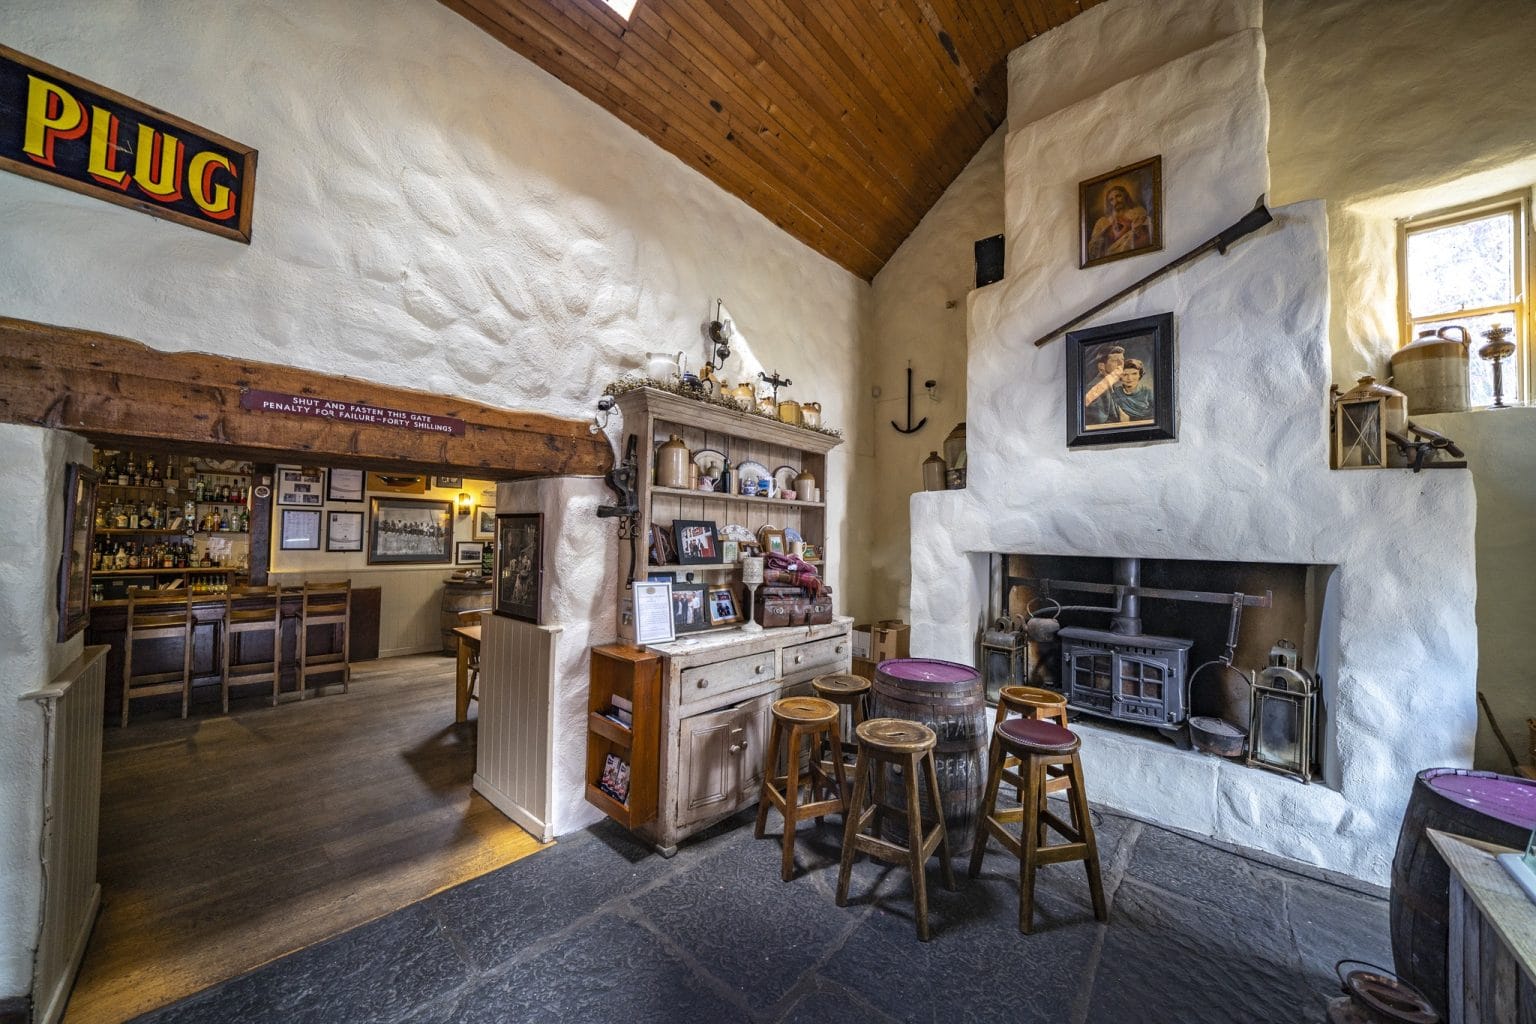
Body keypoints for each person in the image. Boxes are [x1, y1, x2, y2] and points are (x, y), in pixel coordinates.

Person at [1086, 182, 1152, 261]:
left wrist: (1137, 230)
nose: (1116, 201)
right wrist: (1105, 233)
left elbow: (1149, 233)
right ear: (1109, 203)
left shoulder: (1138, 212)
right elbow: (1092, 250)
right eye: (1111, 199)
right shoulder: (1102, 222)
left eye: (1118, 196)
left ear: (1125, 196)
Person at [1082, 345, 1126, 425]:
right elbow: (1098, 425)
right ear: (1101, 366)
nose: (1121, 364)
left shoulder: (1110, 386)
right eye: (1115, 361)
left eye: (1122, 360)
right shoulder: (1096, 389)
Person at [1116, 358, 1155, 423]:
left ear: (1140, 375)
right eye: (1125, 374)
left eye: (1134, 374)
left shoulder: (1148, 392)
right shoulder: (1115, 393)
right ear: (1120, 376)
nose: (1129, 378)